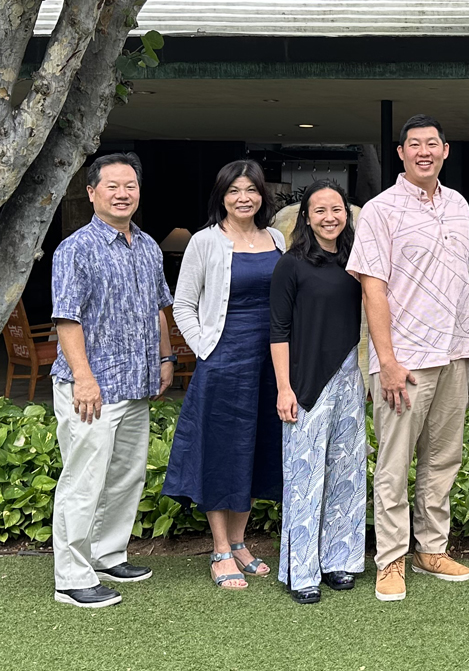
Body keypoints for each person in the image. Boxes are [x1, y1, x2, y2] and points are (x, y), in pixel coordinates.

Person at [346, 114, 469, 602]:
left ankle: (431, 548)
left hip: (455, 351)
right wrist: (387, 359)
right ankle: (391, 559)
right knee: (395, 464)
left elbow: (466, 280)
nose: (424, 151)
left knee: (443, 459)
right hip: (405, 359)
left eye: (433, 144)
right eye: (414, 144)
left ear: (446, 150)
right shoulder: (381, 210)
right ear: (400, 153)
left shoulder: (460, 206)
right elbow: (372, 287)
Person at [49, 153, 175, 608]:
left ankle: (106, 554)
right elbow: (67, 320)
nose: (123, 194)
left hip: (136, 386)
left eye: (131, 186)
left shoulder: (147, 246)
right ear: (92, 193)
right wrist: (84, 379)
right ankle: (71, 577)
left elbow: (159, 307)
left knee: (124, 478)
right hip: (92, 390)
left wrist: (165, 358)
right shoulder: (75, 249)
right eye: (113, 186)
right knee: (83, 482)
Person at [164, 159, 285, 591]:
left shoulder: (276, 238)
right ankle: (218, 549)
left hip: (271, 364)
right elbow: (183, 305)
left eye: (251, 189)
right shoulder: (205, 242)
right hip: (223, 362)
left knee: (254, 449)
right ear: (222, 196)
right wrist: (206, 350)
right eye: (234, 191)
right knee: (221, 452)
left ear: (261, 195)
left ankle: (240, 542)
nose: (243, 198)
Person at [269, 181, 367, 605]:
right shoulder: (291, 264)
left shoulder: (355, 260)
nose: (330, 217)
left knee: (346, 475)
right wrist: (284, 388)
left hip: (348, 375)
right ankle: (302, 571)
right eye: (320, 210)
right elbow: (278, 330)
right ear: (305, 217)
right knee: (305, 478)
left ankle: (339, 561)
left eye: (337, 209)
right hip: (305, 382)